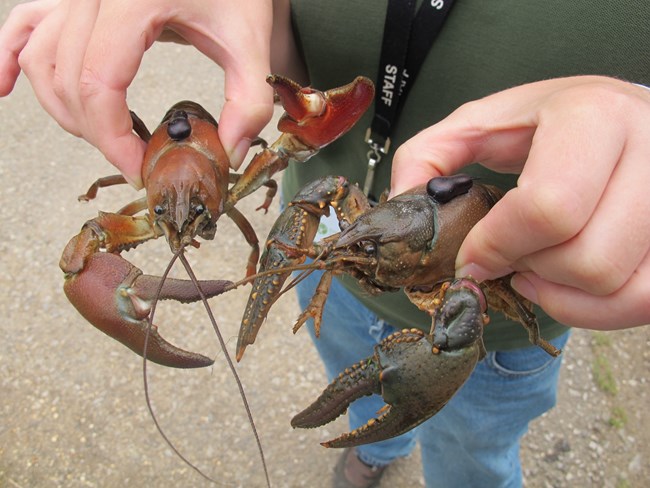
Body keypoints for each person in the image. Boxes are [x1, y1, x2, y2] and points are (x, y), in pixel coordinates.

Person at [1, 1, 648, 487]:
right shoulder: (313, 214)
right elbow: (87, 250)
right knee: (350, 367)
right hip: (321, 255)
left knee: (475, 445)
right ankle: (377, 449)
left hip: (480, 322)